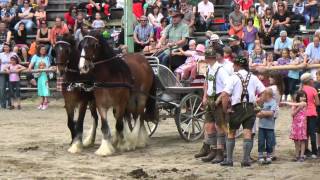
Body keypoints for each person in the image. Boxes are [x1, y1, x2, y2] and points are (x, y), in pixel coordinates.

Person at [220, 56, 265, 167]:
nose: (233, 67)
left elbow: (225, 95)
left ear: (238, 65)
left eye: (234, 65)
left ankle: (229, 160)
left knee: (231, 132)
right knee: (247, 132)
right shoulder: (253, 77)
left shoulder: (233, 77)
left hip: (237, 107)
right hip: (249, 107)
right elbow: (264, 92)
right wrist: (258, 104)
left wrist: (225, 109)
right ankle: (245, 160)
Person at [281, 91, 308, 162]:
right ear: (298, 97)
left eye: (305, 96)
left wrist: (286, 103)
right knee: (296, 140)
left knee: (302, 140)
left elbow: (294, 108)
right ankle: (297, 155)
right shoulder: (296, 105)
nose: (304, 98)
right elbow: (292, 114)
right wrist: (295, 108)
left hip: (302, 124)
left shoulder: (304, 103)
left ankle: (301, 155)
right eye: (302, 96)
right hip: (295, 124)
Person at [300, 72, 320, 158]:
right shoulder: (313, 89)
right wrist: (312, 103)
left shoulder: (301, 90)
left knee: (304, 133)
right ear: (309, 81)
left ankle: (304, 150)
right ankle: (314, 152)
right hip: (312, 113)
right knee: (312, 132)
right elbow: (318, 103)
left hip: (302, 113)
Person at [257, 88, 277, 164]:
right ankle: (260, 156)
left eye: (262, 94)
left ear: (267, 95)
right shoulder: (262, 102)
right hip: (261, 126)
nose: (261, 96)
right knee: (261, 141)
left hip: (270, 127)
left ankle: (269, 156)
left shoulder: (273, 103)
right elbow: (257, 112)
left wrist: (262, 113)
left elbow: (271, 113)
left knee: (269, 142)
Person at [28, 45, 50, 110]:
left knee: (45, 87)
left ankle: (45, 102)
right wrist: (29, 67)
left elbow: (48, 66)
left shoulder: (47, 57)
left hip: (45, 74)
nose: (43, 50)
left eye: (44, 49)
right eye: (42, 49)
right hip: (38, 75)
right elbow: (31, 63)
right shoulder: (35, 56)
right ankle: (42, 102)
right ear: (39, 50)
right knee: (40, 88)